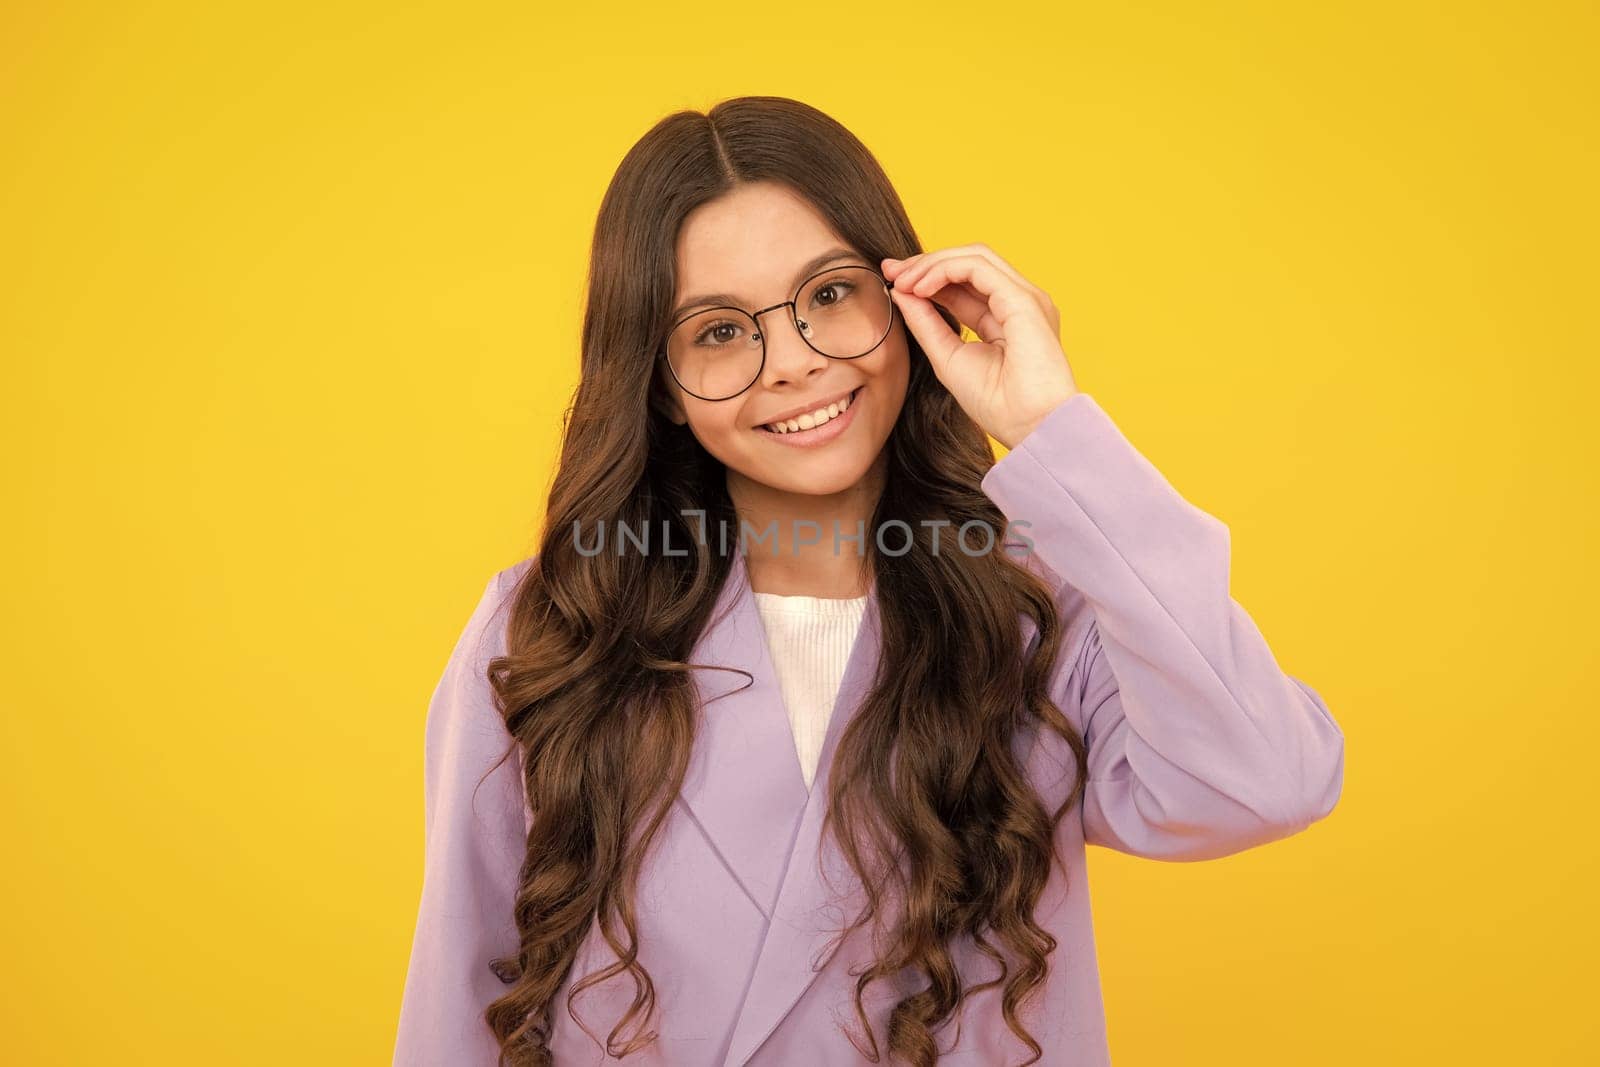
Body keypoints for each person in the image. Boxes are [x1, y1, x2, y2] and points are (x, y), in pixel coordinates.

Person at [393, 95, 1345, 1067]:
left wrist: (1055, 429)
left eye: (828, 295)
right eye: (719, 331)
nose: (794, 363)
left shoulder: (1039, 610)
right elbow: (457, 1001)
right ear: (662, 386)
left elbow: (1263, 781)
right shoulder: (546, 631)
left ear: (907, 301)